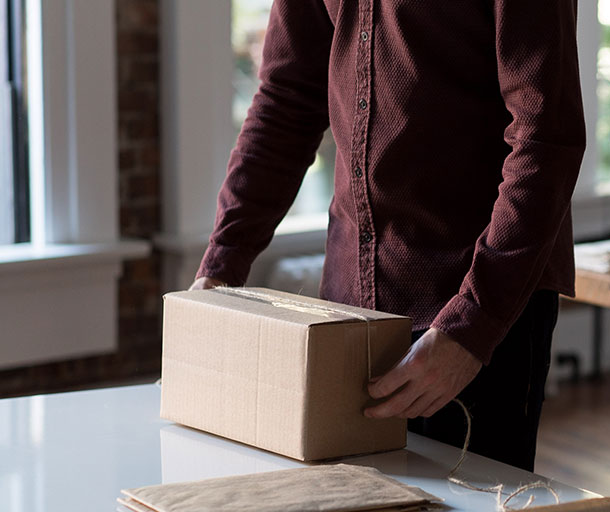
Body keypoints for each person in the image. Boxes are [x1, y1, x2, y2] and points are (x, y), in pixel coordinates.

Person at [189, 0, 585, 473]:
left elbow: (546, 139)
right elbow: (286, 101)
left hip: (476, 307)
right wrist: (220, 267)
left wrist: (472, 327)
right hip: (347, 309)